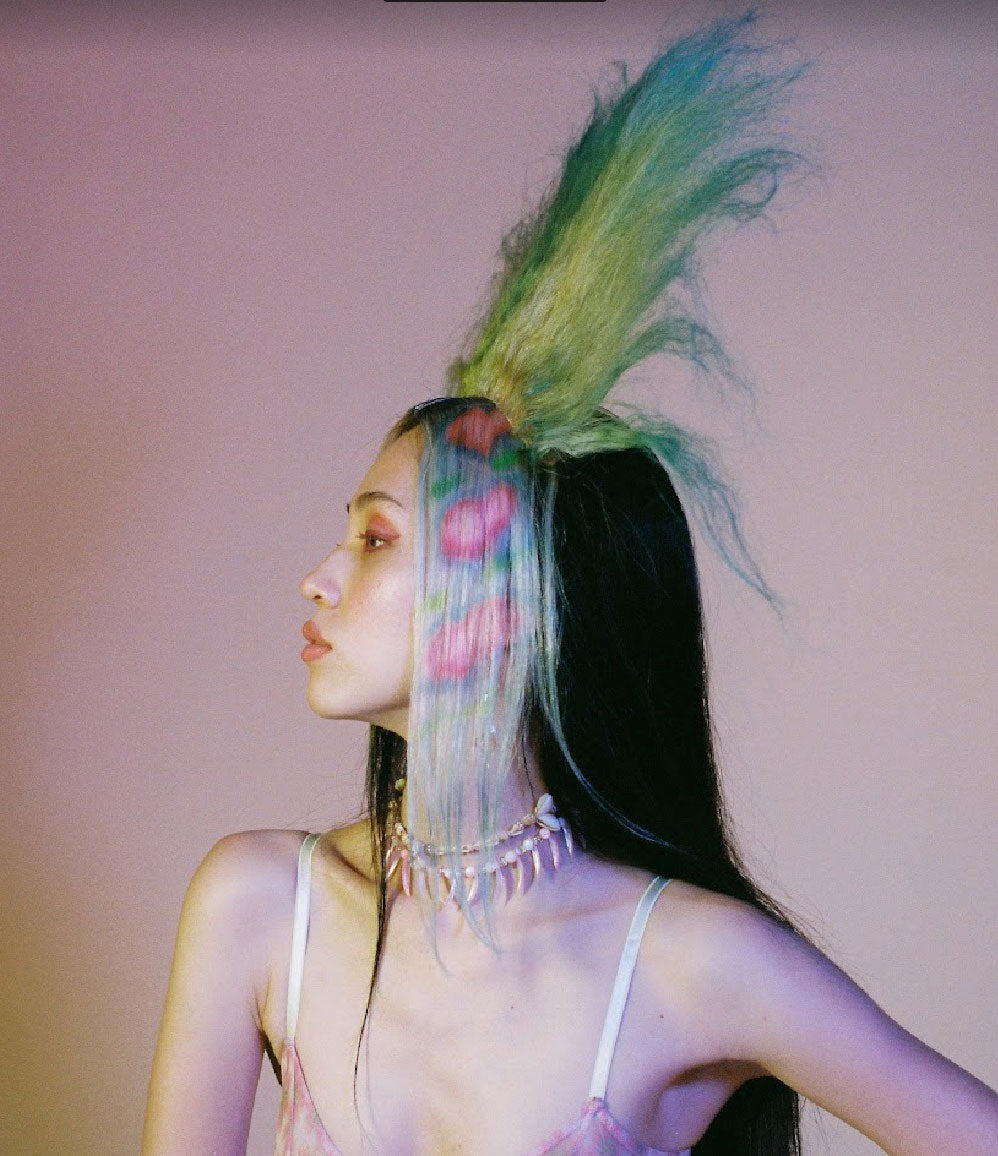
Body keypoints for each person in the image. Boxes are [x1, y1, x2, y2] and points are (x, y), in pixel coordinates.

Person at [142, 15, 998, 1155]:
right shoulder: (259, 904)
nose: (318, 578)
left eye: (377, 538)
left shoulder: (692, 961)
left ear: (510, 604)